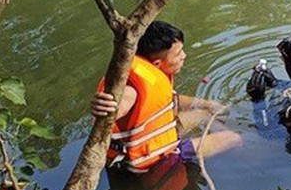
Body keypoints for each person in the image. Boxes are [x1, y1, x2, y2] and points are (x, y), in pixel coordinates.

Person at [91, 21, 240, 173]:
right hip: (153, 161)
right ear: (157, 63)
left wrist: (207, 104)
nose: (184, 56)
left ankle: (214, 130)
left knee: (204, 114)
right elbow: (112, 110)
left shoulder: (148, 73)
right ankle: (243, 161)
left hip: (152, 142)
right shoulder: (131, 91)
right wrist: (103, 108)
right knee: (234, 138)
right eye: (178, 54)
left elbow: (171, 99)